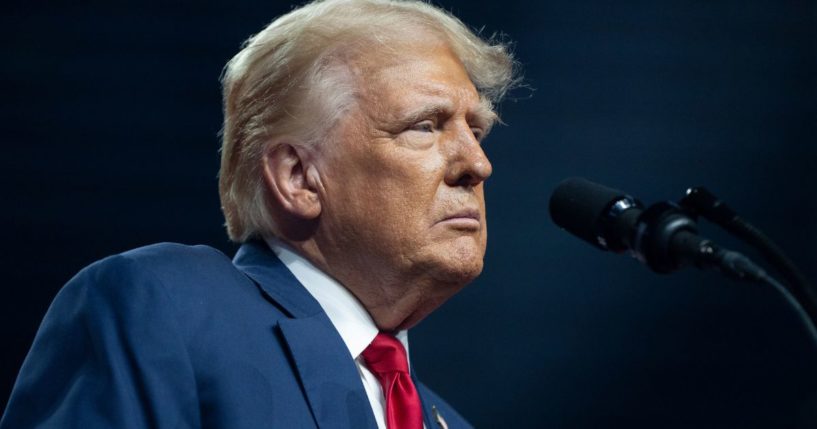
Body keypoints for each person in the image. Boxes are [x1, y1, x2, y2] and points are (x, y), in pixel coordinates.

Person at [0, 0, 517, 427]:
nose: (478, 163)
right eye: (425, 126)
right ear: (297, 178)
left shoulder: (448, 420)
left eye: (477, 130)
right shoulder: (165, 310)